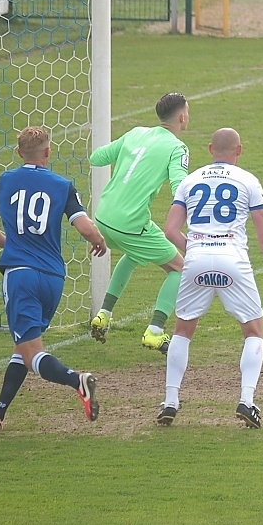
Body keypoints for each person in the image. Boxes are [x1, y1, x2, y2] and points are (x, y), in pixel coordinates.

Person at [0, 126, 108, 430]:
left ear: (19, 152)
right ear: (48, 152)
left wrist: (11, 245)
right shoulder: (62, 185)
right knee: (24, 347)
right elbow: (85, 227)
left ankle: (77, 380)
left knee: (32, 351)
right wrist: (98, 240)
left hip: (20, 276)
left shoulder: (5, 180)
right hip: (52, 278)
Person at [158, 128, 263, 429]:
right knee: (253, 331)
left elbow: (170, 230)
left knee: (182, 330)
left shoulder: (189, 181)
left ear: (211, 149)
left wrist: (195, 249)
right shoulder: (248, 181)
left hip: (197, 259)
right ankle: (246, 400)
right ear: (239, 150)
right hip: (233, 259)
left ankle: (170, 401)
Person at [89, 91, 190, 353]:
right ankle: (155, 331)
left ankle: (103, 315)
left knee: (134, 254)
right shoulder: (177, 148)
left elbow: (96, 158)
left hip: (102, 218)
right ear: (182, 117)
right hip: (129, 224)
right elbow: (179, 187)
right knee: (181, 268)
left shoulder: (135, 133)